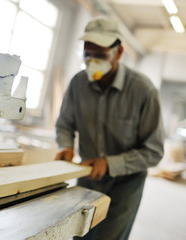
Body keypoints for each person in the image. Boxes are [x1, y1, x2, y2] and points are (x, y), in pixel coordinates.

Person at [55, 17, 165, 240]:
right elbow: (65, 124)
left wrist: (110, 163)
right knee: (78, 233)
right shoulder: (78, 84)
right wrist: (66, 145)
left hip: (126, 184)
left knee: (109, 237)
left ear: (119, 52)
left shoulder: (143, 90)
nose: (93, 61)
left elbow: (153, 151)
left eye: (101, 55)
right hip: (87, 175)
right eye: (88, 54)